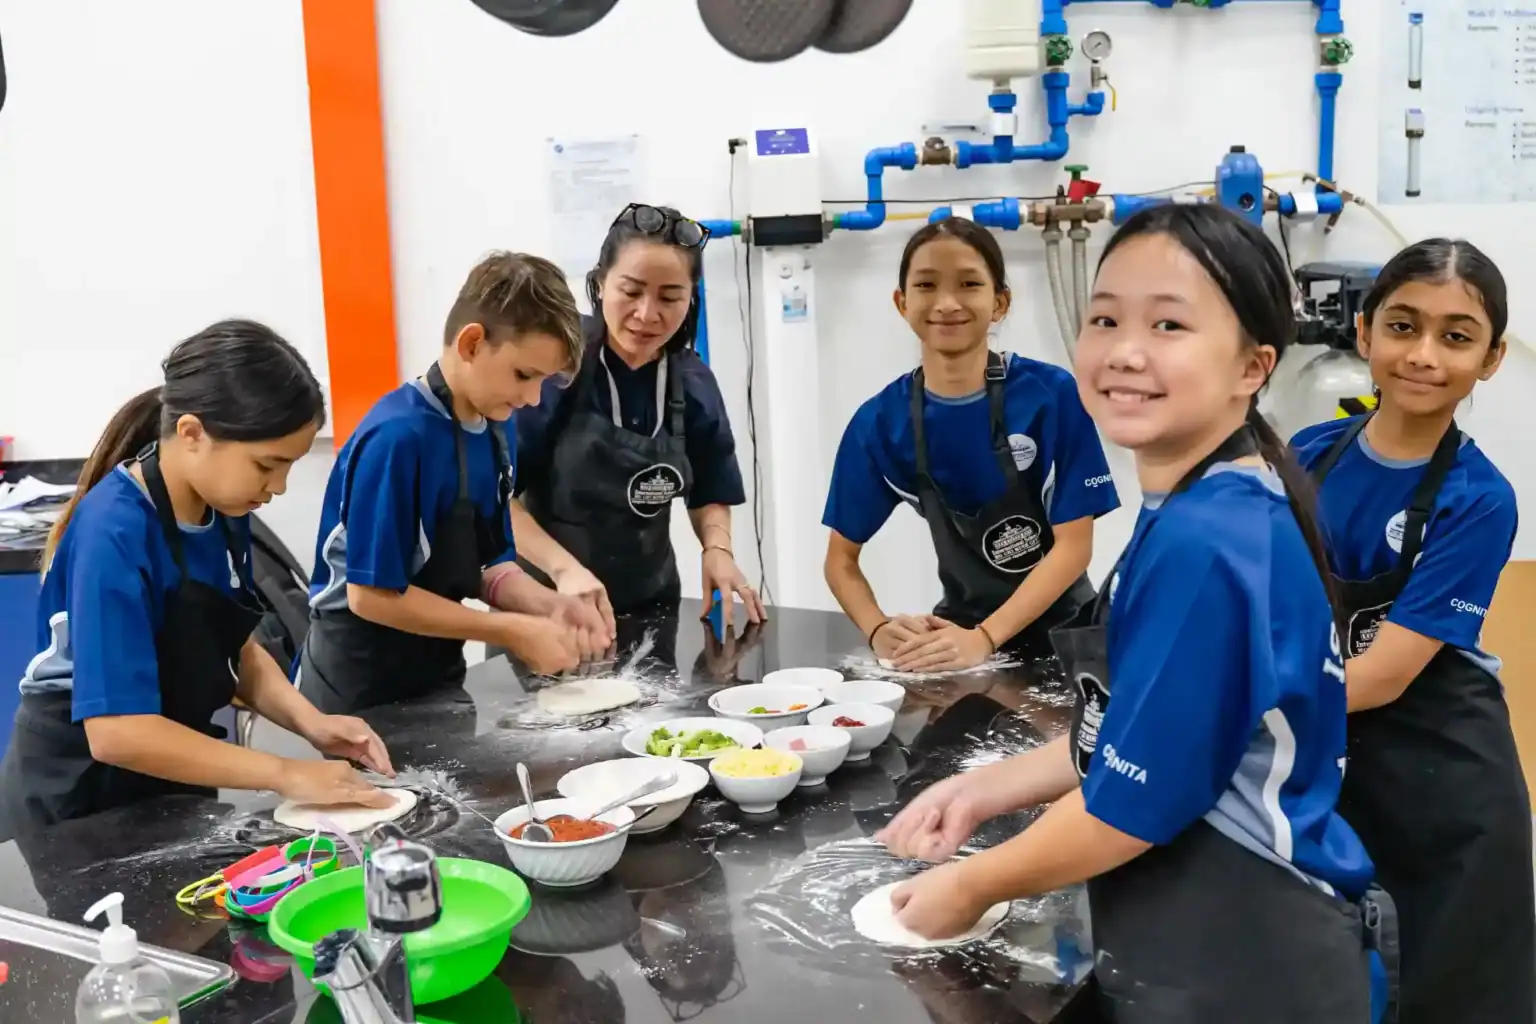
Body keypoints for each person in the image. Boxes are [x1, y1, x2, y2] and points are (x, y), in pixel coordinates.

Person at [876, 205, 1382, 1022]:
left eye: (1170, 324)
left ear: (1252, 367)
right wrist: (983, 790)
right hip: (1211, 941)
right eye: (1105, 317)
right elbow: (1138, 728)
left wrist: (969, 885)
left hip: (1249, 960)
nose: (1126, 352)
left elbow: (1132, 805)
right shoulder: (1208, 501)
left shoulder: (1210, 542)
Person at [0, 322, 394, 838]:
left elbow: (232, 647)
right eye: (266, 465)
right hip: (79, 799)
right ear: (191, 434)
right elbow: (117, 733)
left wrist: (311, 722)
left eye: (288, 467)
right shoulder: (112, 531)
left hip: (172, 777)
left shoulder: (223, 509)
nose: (277, 487)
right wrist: (283, 772)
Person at [1291, 239, 1533, 1022]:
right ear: (1364, 334)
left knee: (1452, 988)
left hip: (1446, 782)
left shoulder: (1479, 498)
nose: (1424, 355)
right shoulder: (1309, 456)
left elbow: (1388, 673)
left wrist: (1231, 705)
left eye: (1456, 337)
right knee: (1341, 972)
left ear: (1491, 359)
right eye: (1403, 326)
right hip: (1333, 750)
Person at [298, 252, 609, 715]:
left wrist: (547, 604)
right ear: (471, 343)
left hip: (437, 677)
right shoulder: (398, 438)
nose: (531, 398)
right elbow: (372, 597)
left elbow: (486, 565)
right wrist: (509, 631)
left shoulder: (496, 426)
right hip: (357, 692)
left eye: (543, 381)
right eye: (524, 375)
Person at [822, 218, 1119, 672]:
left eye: (968, 283)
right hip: (958, 640)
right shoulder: (880, 423)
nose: (946, 303)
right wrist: (878, 629)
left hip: (1067, 634)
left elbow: (1075, 546)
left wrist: (986, 638)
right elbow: (840, 561)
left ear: (999, 302)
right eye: (926, 285)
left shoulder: (1051, 396)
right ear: (902, 303)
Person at [512, 204, 764, 625]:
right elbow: (496, 499)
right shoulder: (554, 366)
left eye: (670, 297)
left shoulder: (694, 382)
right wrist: (564, 570)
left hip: (651, 606)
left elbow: (711, 489)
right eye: (630, 291)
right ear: (599, 284)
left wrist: (717, 550)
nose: (647, 315)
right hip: (546, 607)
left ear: (691, 298)